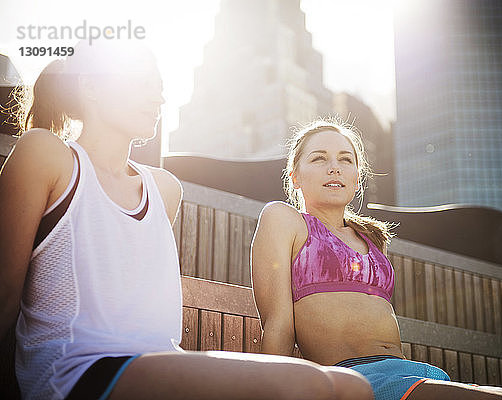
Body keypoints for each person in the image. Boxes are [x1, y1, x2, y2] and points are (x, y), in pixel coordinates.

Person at [0, 42, 373, 400]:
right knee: (309, 387)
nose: (158, 98)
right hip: (76, 373)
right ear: (92, 86)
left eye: (159, 87)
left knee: (353, 388)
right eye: (142, 82)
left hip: (159, 360)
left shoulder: (164, 189)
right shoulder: (46, 154)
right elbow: (4, 296)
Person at [251, 119, 502, 400]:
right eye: (319, 158)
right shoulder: (284, 219)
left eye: (346, 159)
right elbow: (277, 323)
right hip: (353, 379)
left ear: (358, 178)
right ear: (295, 175)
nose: (335, 168)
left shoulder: (371, 238)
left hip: (412, 373)